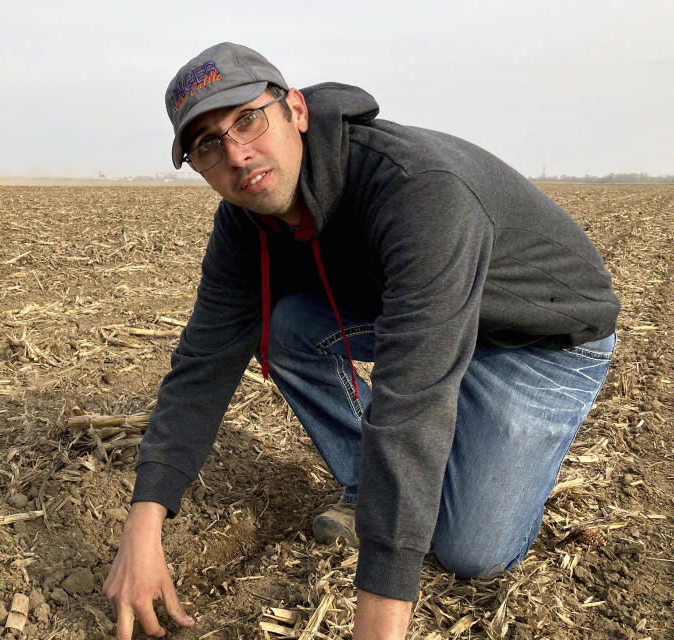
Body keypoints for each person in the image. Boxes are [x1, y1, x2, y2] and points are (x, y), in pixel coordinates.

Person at [103, 42, 620, 640]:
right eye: (208, 145)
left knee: (472, 554)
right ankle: (373, 486)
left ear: (294, 108)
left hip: (539, 335)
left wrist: (376, 626)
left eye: (247, 119)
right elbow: (203, 362)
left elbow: (411, 404)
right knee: (289, 327)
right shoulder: (244, 224)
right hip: (421, 308)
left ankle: (443, 479)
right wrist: (143, 528)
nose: (238, 154)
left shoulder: (416, 189)